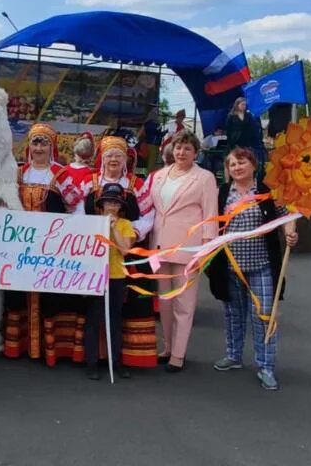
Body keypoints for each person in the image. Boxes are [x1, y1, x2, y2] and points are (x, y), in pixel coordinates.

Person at [207, 147, 297, 391]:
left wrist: (290, 234)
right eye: (233, 164)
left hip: (262, 266)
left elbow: (287, 215)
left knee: (264, 317)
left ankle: (266, 366)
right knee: (233, 314)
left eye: (242, 162)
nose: (237, 167)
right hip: (230, 265)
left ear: (254, 165)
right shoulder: (223, 192)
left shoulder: (267, 192)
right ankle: (234, 355)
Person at [4, 123, 84, 365]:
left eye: (43, 142)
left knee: (49, 296)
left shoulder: (60, 175)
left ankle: (49, 349)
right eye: (35, 142)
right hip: (21, 248)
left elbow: (76, 206)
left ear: (52, 147)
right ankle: (21, 347)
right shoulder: (18, 174)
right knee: (19, 294)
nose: (38, 147)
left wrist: (67, 233)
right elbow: (4, 205)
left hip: (50, 250)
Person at [141, 130, 218, 373]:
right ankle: (167, 346)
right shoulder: (159, 176)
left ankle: (178, 354)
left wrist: (206, 249)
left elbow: (210, 216)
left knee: (184, 303)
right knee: (164, 301)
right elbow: (145, 205)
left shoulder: (204, 178)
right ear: (171, 150)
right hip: (160, 246)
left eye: (187, 148)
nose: (181, 152)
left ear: (196, 152)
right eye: (178, 147)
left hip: (188, 247)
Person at [78, 136, 156, 368]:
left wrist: (130, 231)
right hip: (94, 254)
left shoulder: (137, 184)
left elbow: (149, 215)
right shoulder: (89, 182)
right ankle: (92, 358)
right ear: (102, 157)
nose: (114, 159)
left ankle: (121, 359)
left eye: (118, 155)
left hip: (126, 255)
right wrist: (90, 232)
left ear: (126, 159)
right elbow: (77, 212)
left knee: (123, 311)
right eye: (109, 155)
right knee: (92, 311)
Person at [83, 183, 134, 381]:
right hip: (96, 278)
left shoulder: (125, 224)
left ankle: (116, 362)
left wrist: (113, 227)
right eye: (108, 202)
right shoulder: (92, 223)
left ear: (120, 206)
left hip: (116, 278)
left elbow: (125, 250)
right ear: (101, 205)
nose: (111, 206)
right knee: (93, 322)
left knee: (114, 321)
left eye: (115, 203)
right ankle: (91, 363)